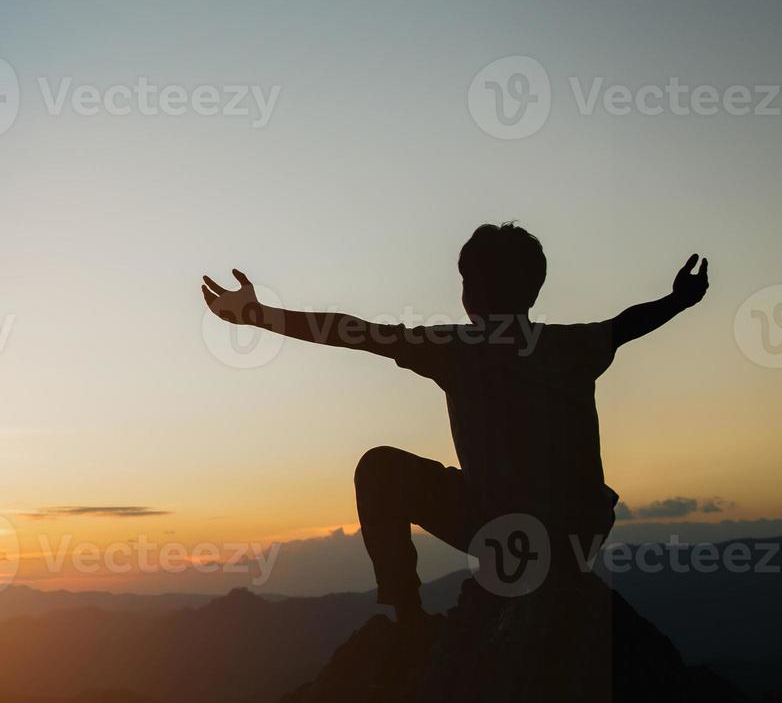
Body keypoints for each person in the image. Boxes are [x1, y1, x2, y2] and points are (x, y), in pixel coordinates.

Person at [201, 223, 709, 623]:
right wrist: (678, 300)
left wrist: (260, 315)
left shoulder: (454, 350)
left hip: (503, 532)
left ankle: (408, 618)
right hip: (577, 538)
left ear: (474, 289)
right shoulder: (572, 346)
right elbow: (629, 323)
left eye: (467, 280)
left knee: (379, 470)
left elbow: (352, 333)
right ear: (533, 289)